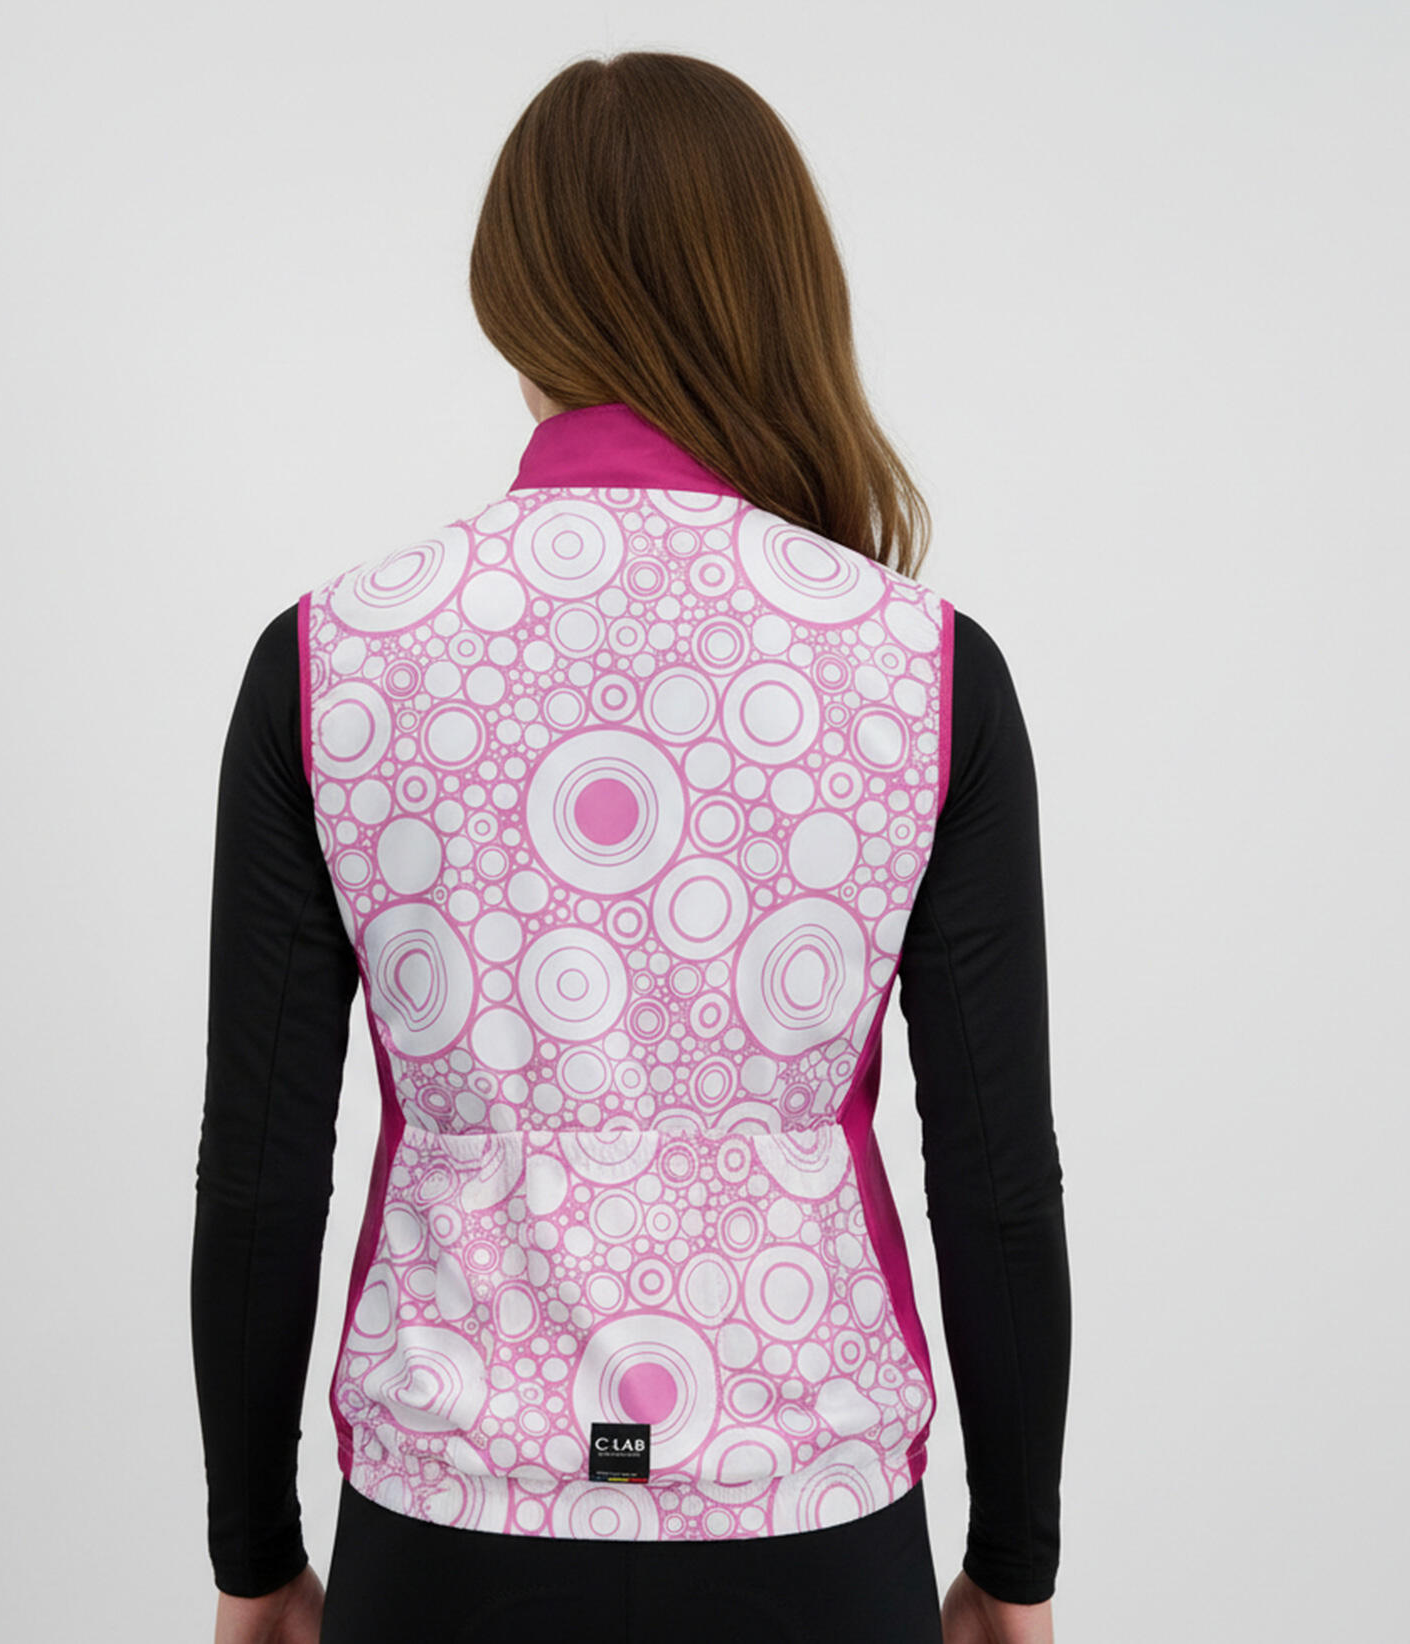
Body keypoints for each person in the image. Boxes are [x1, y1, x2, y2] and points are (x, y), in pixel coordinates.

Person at [192, 49, 1070, 1644]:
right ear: (776, 286)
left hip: (451, 1523)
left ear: (512, 300)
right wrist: (1015, 1563)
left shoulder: (336, 658)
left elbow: (261, 1168)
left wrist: (252, 1554)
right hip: (809, 1520)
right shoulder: (923, 668)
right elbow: (996, 1175)